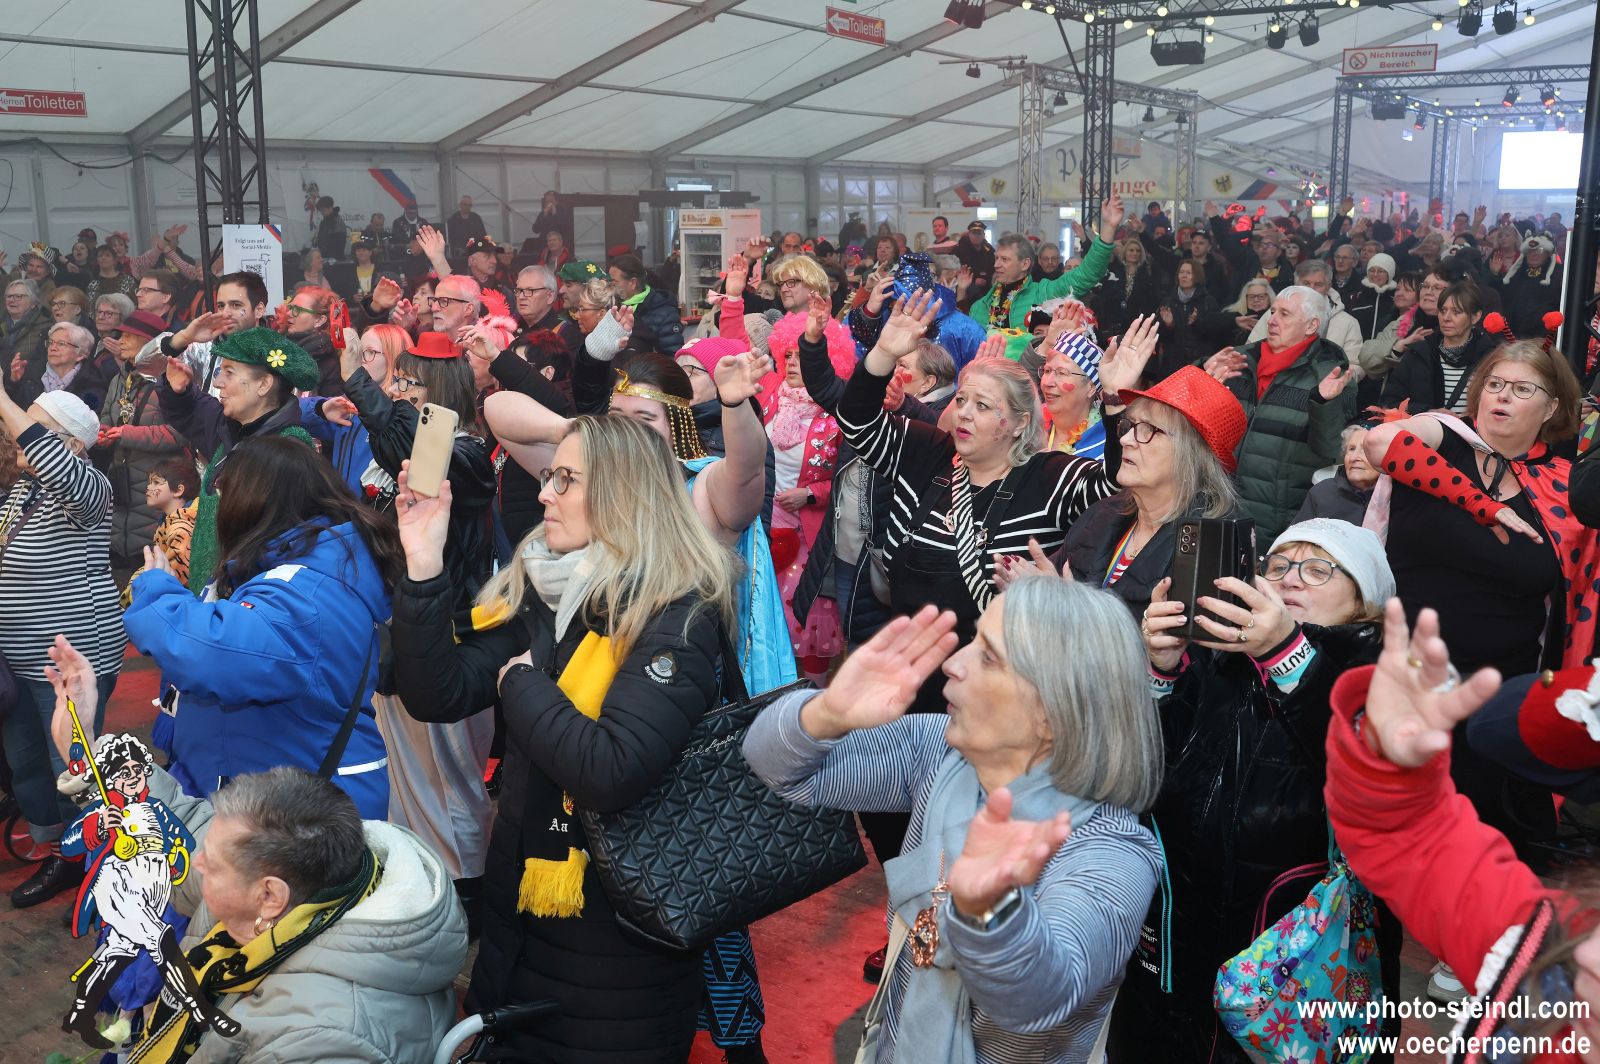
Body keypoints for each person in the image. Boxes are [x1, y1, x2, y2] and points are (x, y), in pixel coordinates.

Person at [390, 415, 741, 1061]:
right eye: (550, 476)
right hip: (521, 923)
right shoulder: (543, 589)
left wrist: (522, 686)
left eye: (566, 480)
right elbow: (436, 693)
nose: (544, 493)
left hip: (620, 953)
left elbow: (612, 769)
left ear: (623, 495)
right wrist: (422, 561)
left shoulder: (674, 615)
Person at [744, 582, 1164, 1062]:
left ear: (1053, 711)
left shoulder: (1112, 853)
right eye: (972, 640)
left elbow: (1039, 1000)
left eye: (988, 657)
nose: (953, 663)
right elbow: (774, 765)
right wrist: (828, 712)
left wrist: (990, 911)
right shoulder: (941, 754)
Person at [42, 643, 466, 1060]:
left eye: (212, 864)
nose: (196, 861)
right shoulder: (295, 878)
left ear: (270, 896)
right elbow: (174, 822)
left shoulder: (321, 1041)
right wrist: (83, 737)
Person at [1122, 519, 1402, 1061]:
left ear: (1363, 603)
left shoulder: (1385, 676)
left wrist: (1286, 653)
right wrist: (1160, 670)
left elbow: (1373, 780)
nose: (1291, 579)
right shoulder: (1220, 659)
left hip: (1291, 985)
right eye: (1277, 566)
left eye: (1317, 569)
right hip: (1172, 960)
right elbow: (1143, 773)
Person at [835, 291, 1153, 720]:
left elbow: (1115, 481)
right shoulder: (926, 452)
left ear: (1020, 422)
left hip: (994, 694)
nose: (964, 414)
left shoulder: (1050, 478)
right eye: (961, 400)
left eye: (983, 406)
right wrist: (883, 354)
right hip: (904, 684)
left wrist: (1114, 400)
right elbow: (856, 420)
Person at [1363, 339, 1590, 884]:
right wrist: (1480, 504)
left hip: (1500, 697)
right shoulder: (1442, 439)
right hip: (1409, 679)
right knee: (1398, 844)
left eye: (1522, 389)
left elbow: (1578, 597)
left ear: (1552, 407)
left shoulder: (1567, 488)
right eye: (1494, 384)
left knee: (1485, 849)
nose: (1502, 396)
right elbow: (1378, 441)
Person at [123, 435, 400, 817]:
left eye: (227, 496)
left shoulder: (307, 591)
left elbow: (211, 651)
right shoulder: (308, 563)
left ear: (255, 502)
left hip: (303, 818)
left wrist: (156, 592)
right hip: (278, 799)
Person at [0, 384, 123, 907]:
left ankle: (88, 859)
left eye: (33, 427)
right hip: (19, 656)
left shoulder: (90, 488)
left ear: (72, 444)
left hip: (71, 662)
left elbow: (56, 465)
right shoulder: (24, 490)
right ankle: (56, 848)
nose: (18, 435)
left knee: (72, 767)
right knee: (26, 760)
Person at [1055, 365, 1246, 618]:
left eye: (1148, 430)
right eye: (1129, 425)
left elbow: (1188, 641)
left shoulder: (1213, 547)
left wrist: (1069, 610)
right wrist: (1039, 589)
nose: (1125, 440)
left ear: (1191, 455)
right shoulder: (1103, 513)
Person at [157, 326, 320, 594]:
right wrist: (179, 391)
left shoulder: (288, 451)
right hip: (214, 597)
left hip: (248, 600)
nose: (218, 382)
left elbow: (279, 542)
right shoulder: (232, 428)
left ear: (263, 385)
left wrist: (229, 590)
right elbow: (192, 410)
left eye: (229, 373)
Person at [1201, 285, 1357, 545]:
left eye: (1284, 314)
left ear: (1311, 325)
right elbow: (1195, 425)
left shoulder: (1331, 376)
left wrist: (1323, 403)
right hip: (1216, 505)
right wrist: (1201, 377)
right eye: (1273, 312)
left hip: (1276, 519)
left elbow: (1330, 449)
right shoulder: (1238, 361)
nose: (1272, 320)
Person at [98, 309, 189, 583]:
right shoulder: (119, 379)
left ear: (150, 343)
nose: (121, 340)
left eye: (129, 335)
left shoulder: (170, 380)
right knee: (120, 559)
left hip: (158, 482)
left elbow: (178, 434)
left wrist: (126, 434)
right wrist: (103, 432)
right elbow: (107, 416)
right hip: (122, 481)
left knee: (151, 558)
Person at [969, 197, 1123, 331]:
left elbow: (1087, 273)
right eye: (996, 258)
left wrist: (1109, 227)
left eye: (1004, 259)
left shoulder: (1043, 294)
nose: (996, 265)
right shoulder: (979, 307)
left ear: (1025, 264)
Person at [1380, 281, 1495, 414]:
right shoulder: (1418, 354)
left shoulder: (1489, 358)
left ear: (1475, 317)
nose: (1446, 318)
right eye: (1443, 310)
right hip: (1424, 427)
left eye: (1456, 312)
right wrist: (1427, 412)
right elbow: (1388, 403)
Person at [1294, 423, 1378, 525]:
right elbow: (1295, 534)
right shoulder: (1321, 493)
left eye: (1365, 450)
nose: (1354, 458)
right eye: (1351, 449)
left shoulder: (1394, 500)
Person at [1152, 259, 1217, 380]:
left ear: (1197, 276)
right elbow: (1158, 336)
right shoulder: (1168, 302)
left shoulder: (1208, 301)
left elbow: (1214, 333)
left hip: (1199, 365)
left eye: (1188, 273)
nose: (1184, 276)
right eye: (1181, 272)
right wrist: (1169, 325)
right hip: (1172, 368)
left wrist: (1197, 323)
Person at [608, 254, 684, 356]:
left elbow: (673, 355)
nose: (610, 286)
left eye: (614, 282)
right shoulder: (613, 307)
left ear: (632, 283)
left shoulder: (665, 313)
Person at [1502, 233, 1564, 336]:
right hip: (1515, 335)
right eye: (1530, 251)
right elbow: (1505, 299)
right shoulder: (1516, 272)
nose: (1533, 254)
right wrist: (1494, 275)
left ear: (1548, 253)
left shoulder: (1559, 273)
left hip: (1545, 336)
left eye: (1539, 250)